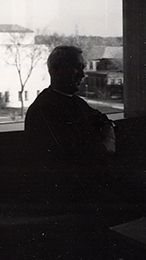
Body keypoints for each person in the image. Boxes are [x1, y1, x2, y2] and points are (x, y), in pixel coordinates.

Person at [24, 45, 118, 205]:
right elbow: (71, 157)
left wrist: (108, 137)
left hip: (90, 180)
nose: (82, 74)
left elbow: (103, 120)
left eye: (82, 68)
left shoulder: (77, 102)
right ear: (55, 70)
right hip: (67, 191)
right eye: (76, 68)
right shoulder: (43, 110)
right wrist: (106, 147)